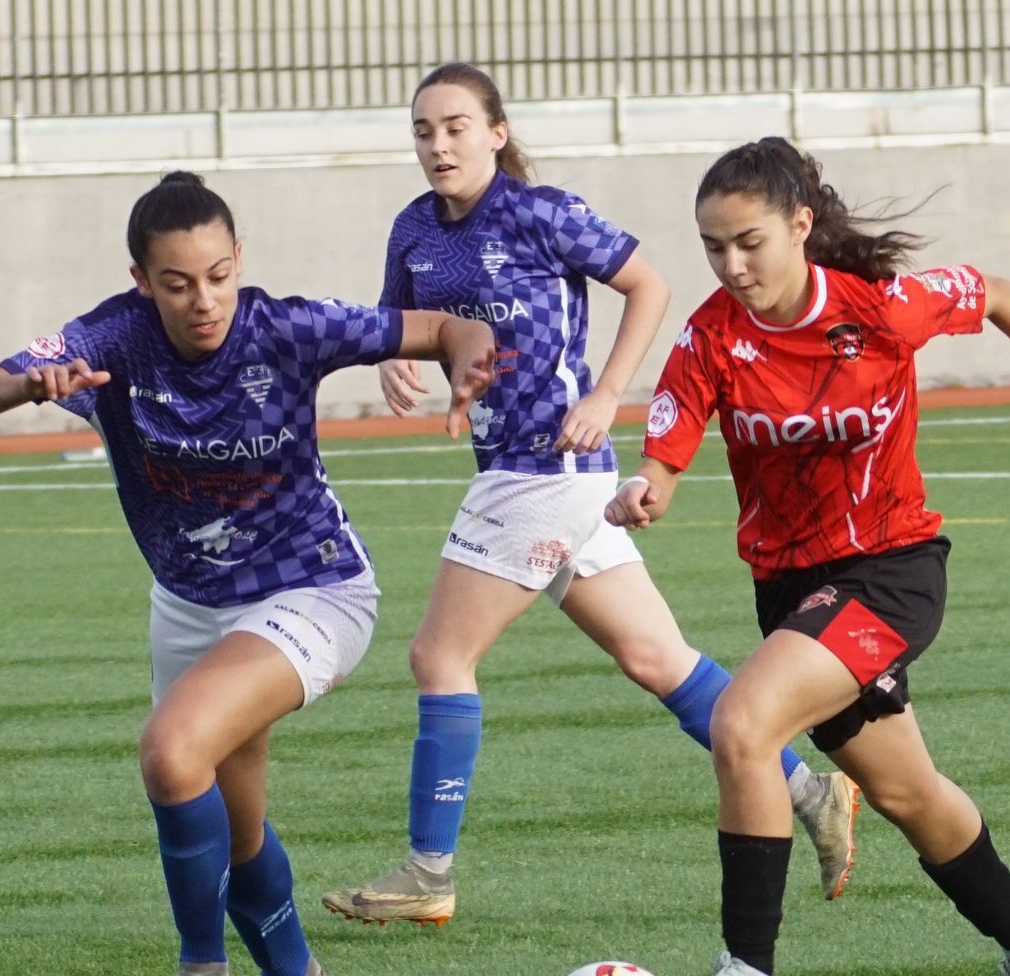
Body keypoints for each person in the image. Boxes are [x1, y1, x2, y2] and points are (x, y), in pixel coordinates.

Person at [606, 137, 1010, 976]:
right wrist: (646, 492)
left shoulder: (881, 308)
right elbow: (666, 452)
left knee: (743, 723)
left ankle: (749, 972)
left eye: (749, 241)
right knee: (910, 797)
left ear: (801, 224)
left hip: (891, 574)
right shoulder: (712, 337)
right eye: (713, 247)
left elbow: (1000, 294)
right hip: (793, 593)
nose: (732, 264)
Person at [0, 170, 499, 976]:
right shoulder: (107, 339)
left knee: (171, 749)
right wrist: (27, 387)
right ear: (140, 281)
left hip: (312, 588)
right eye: (178, 282)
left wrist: (466, 359)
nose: (205, 300)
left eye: (219, 275)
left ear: (240, 262)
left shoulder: (287, 326)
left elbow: (444, 325)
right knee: (230, 824)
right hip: (189, 605)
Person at [322, 65, 859, 929]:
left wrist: (609, 393)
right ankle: (811, 791)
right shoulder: (414, 230)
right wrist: (393, 355)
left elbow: (649, 283)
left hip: (543, 470)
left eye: (456, 127)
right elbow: (404, 319)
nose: (438, 145)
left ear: (497, 132)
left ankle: (429, 872)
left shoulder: (541, 211)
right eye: (423, 131)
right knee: (657, 660)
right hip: (537, 476)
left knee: (438, 658)